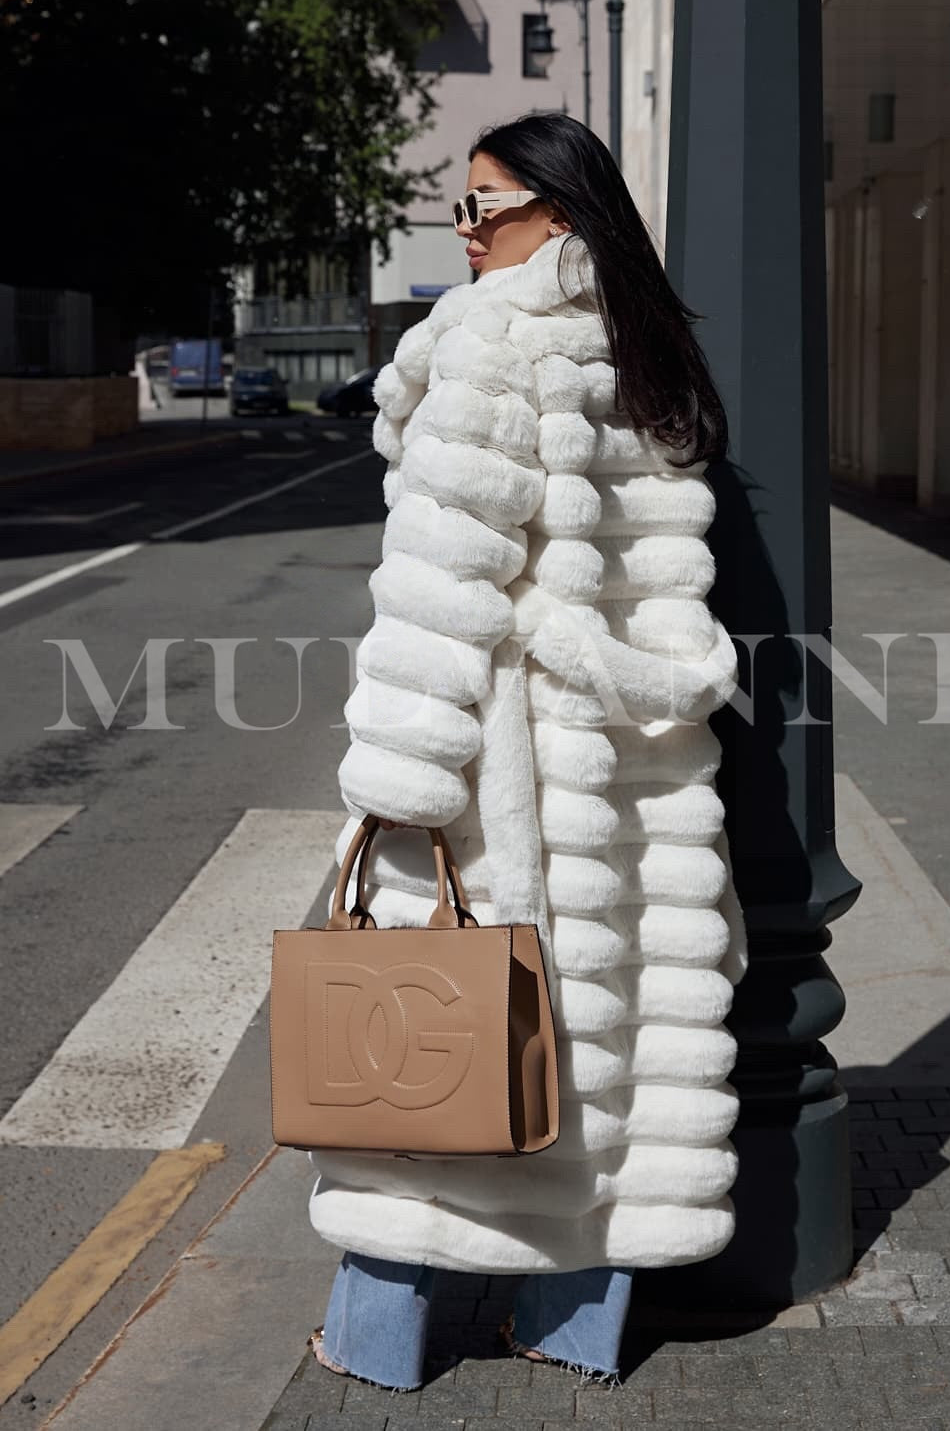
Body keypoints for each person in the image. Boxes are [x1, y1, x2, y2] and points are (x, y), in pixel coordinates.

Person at [306, 111, 748, 1392]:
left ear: (561, 212)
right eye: (461, 209)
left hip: (507, 760)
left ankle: (376, 1341)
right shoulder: (643, 347)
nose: (467, 232)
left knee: (422, 1054)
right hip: (633, 760)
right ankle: (569, 1329)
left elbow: (440, 590)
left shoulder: (486, 341)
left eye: (487, 207)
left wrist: (394, 791)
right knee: (608, 1046)